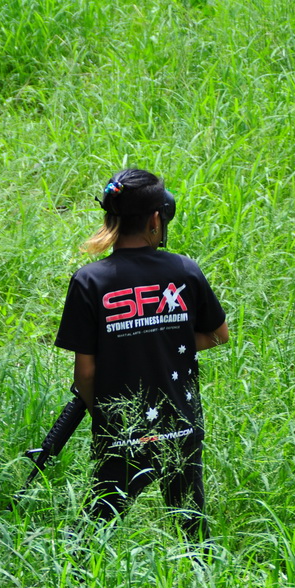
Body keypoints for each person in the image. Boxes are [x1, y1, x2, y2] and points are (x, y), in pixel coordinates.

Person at [54, 168, 229, 544]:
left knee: (93, 532)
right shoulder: (184, 270)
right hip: (180, 426)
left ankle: (71, 578)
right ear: (155, 219)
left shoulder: (90, 281)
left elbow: (85, 374)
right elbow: (218, 334)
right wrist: (164, 339)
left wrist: (106, 417)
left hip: (122, 431)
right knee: (192, 532)